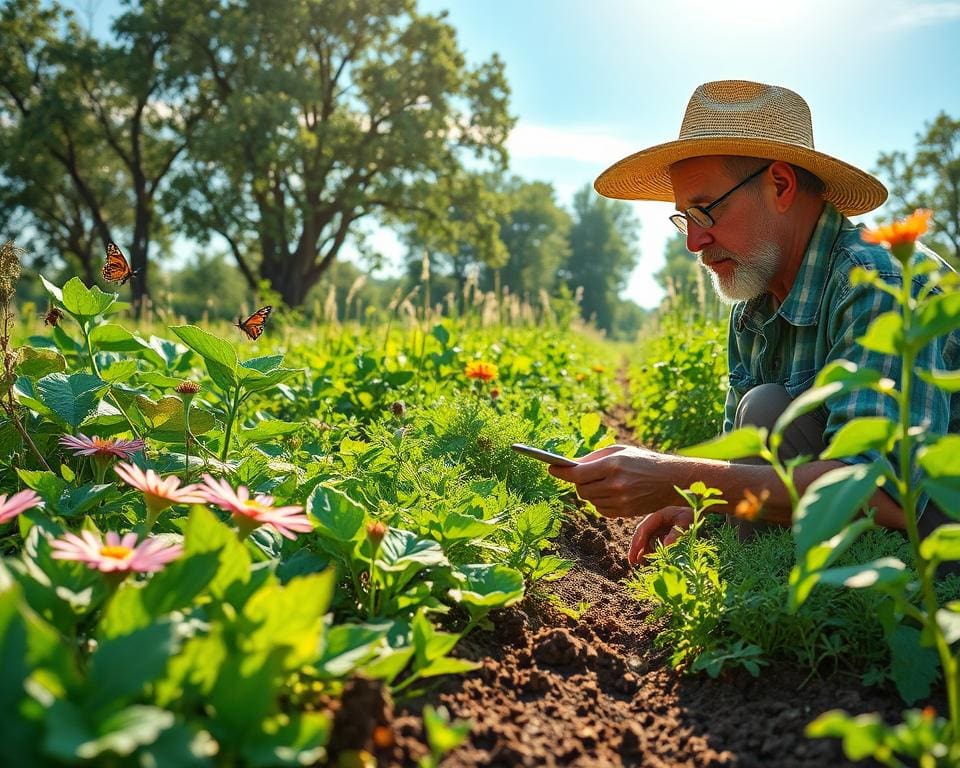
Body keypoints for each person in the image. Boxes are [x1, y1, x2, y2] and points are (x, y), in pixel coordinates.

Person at [548, 79, 960, 565]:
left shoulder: (877, 282)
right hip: (867, 541)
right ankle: (764, 607)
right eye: (685, 218)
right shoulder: (754, 305)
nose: (694, 243)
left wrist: (674, 477)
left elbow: (884, 496)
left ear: (781, 186)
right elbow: (741, 463)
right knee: (763, 411)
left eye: (705, 210)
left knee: (767, 411)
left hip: (940, 551)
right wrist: (696, 506)